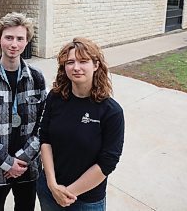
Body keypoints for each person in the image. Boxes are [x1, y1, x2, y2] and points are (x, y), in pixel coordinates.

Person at [37, 37, 125, 211]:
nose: (76, 67)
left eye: (83, 61)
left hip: (86, 200)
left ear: (96, 65)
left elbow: (107, 162)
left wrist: (67, 193)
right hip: (49, 190)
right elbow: (45, 139)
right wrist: (52, 185)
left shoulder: (111, 112)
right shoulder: (55, 97)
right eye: (70, 62)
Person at [0, 12, 47, 211]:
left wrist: (21, 160)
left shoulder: (37, 77)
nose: (14, 44)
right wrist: (7, 163)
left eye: (20, 38)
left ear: (26, 41)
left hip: (27, 168)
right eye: (9, 37)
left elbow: (44, 123)